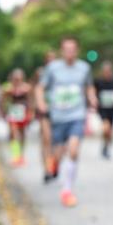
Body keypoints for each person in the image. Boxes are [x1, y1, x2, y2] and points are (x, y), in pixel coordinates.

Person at [35, 37, 97, 207]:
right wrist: (41, 103)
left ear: (77, 50)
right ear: (62, 51)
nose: (69, 52)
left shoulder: (84, 68)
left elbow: (89, 86)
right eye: (66, 49)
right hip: (58, 116)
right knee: (58, 152)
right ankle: (53, 165)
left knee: (74, 150)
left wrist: (92, 97)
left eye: (72, 49)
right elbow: (40, 87)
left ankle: (67, 190)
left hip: (77, 115)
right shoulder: (53, 68)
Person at [1, 68, 34, 167]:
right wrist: (3, 112)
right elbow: (3, 100)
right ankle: (16, 155)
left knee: (22, 134)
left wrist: (31, 113)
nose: (17, 81)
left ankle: (21, 155)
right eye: (15, 79)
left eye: (19, 79)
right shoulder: (8, 88)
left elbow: (31, 101)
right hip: (13, 113)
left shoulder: (27, 88)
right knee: (13, 133)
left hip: (23, 112)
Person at [34, 49, 58, 182]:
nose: (51, 62)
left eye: (54, 59)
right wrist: (36, 107)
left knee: (58, 141)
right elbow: (35, 90)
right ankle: (47, 169)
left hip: (60, 111)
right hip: (45, 111)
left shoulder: (63, 73)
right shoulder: (41, 73)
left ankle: (54, 164)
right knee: (46, 139)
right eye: (49, 59)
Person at [94, 61, 113, 159]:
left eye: (108, 71)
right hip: (102, 109)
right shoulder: (98, 81)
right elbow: (93, 91)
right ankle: (105, 144)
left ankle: (106, 146)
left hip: (112, 109)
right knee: (106, 128)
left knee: (110, 131)